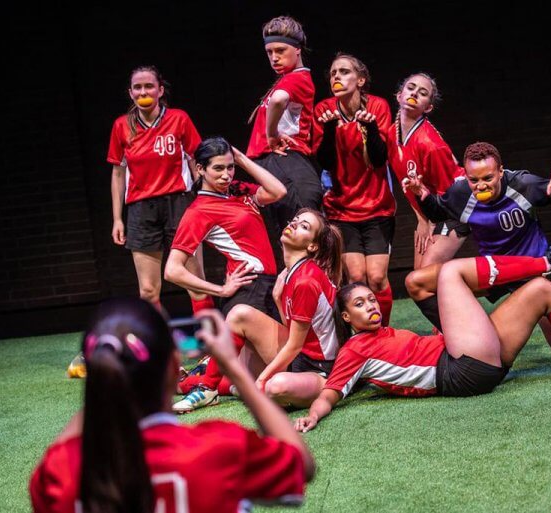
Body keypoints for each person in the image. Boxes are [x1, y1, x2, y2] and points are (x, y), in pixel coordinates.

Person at [294, 258, 551, 432]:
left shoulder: (385, 333)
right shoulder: (354, 350)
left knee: (541, 290)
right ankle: (546, 260)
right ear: (346, 317)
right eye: (360, 304)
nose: (371, 306)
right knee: (450, 273)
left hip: (469, 358)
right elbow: (331, 391)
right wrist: (313, 414)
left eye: (372, 299)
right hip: (459, 371)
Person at [30, 297, 314, 513]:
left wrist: (101, 382)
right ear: (173, 367)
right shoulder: (219, 448)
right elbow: (301, 465)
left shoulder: (63, 469)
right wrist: (232, 367)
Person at [403, 141, 551, 356]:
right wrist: (422, 193)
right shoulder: (461, 193)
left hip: (533, 273)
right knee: (421, 282)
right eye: (474, 180)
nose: (481, 185)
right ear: (466, 176)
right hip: (494, 272)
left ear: (501, 171)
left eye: (488, 178)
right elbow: (439, 212)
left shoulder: (522, 184)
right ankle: (459, 338)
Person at [174, 208, 343, 412]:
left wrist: (262, 379)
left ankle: (225, 385)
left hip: (318, 369)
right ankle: (203, 386)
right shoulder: (291, 272)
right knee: (239, 314)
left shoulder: (306, 279)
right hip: (299, 358)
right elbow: (296, 331)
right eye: (296, 220)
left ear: (312, 246)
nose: (294, 224)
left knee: (274, 386)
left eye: (304, 226)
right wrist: (277, 299)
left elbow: (295, 345)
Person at [107, 65, 205, 312]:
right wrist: (117, 219)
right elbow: (118, 174)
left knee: (195, 282)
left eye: (149, 86)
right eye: (137, 87)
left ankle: (210, 337)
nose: (143, 92)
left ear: (160, 90)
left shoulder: (179, 119)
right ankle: (159, 337)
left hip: (180, 204)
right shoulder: (121, 126)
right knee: (148, 291)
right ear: (130, 93)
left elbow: (196, 161)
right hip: (141, 210)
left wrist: (205, 202)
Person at [313, 53, 395, 324]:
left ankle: (384, 333)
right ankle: (362, 335)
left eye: (344, 71)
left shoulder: (378, 106)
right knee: (356, 278)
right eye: (333, 73)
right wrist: (329, 130)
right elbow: (325, 162)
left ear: (360, 80)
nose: (336, 76)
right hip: (342, 209)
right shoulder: (324, 109)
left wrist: (371, 128)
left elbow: (380, 159)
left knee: (377, 278)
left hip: (377, 207)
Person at [164, 136, 286, 319]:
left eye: (230, 167)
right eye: (218, 168)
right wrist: (221, 290)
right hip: (249, 290)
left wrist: (241, 158)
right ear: (200, 169)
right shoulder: (199, 211)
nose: (226, 175)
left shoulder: (237, 189)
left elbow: (278, 191)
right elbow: (172, 270)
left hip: (266, 286)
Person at [246, 15, 323, 253]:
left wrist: (271, 136)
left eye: (280, 50)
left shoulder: (298, 79)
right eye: (269, 52)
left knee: (304, 244)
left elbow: (278, 100)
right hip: (278, 166)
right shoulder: (287, 80)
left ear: (297, 49)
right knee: (289, 242)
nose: (274, 57)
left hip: (288, 162)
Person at [387, 72, 467, 270]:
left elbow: (449, 195)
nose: (414, 93)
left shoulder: (430, 145)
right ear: (399, 95)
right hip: (431, 208)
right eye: (411, 88)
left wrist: (431, 220)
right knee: (418, 278)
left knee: (423, 277)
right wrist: (421, 219)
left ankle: (464, 277)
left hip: (457, 208)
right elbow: (407, 185)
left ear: (428, 107)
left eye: (423, 93)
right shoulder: (391, 134)